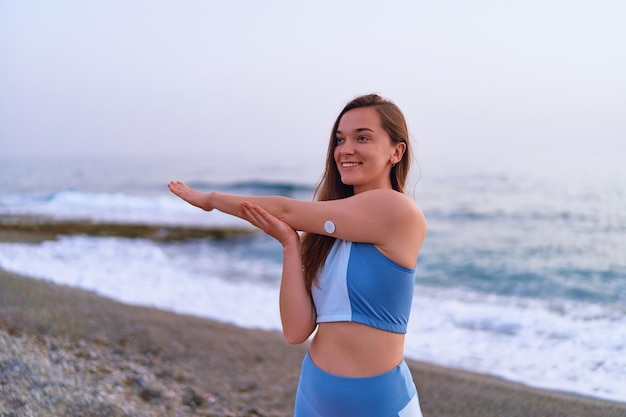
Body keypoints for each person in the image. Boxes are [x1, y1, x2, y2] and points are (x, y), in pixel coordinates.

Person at [168, 94, 427, 416]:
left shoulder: (397, 210)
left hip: (378, 402)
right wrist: (291, 246)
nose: (346, 149)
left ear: (396, 152)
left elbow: (287, 208)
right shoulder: (325, 234)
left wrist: (211, 200)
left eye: (362, 137)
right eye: (340, 139)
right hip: (314, 393)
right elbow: (296, 331)